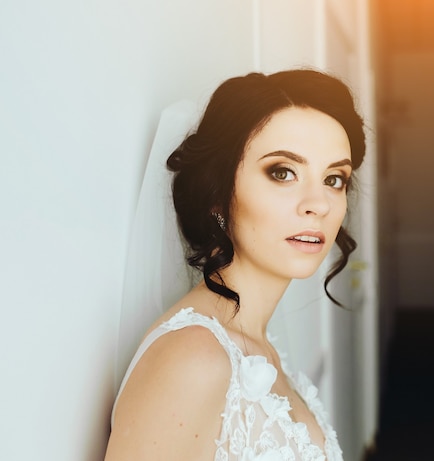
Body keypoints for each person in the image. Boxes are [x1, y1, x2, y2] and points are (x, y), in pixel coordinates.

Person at [104, 69, 366, 461]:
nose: (319, 203)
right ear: (217, 195)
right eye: (283, 172)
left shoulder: (255, 341)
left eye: (334, 178)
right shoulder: (192, 360)